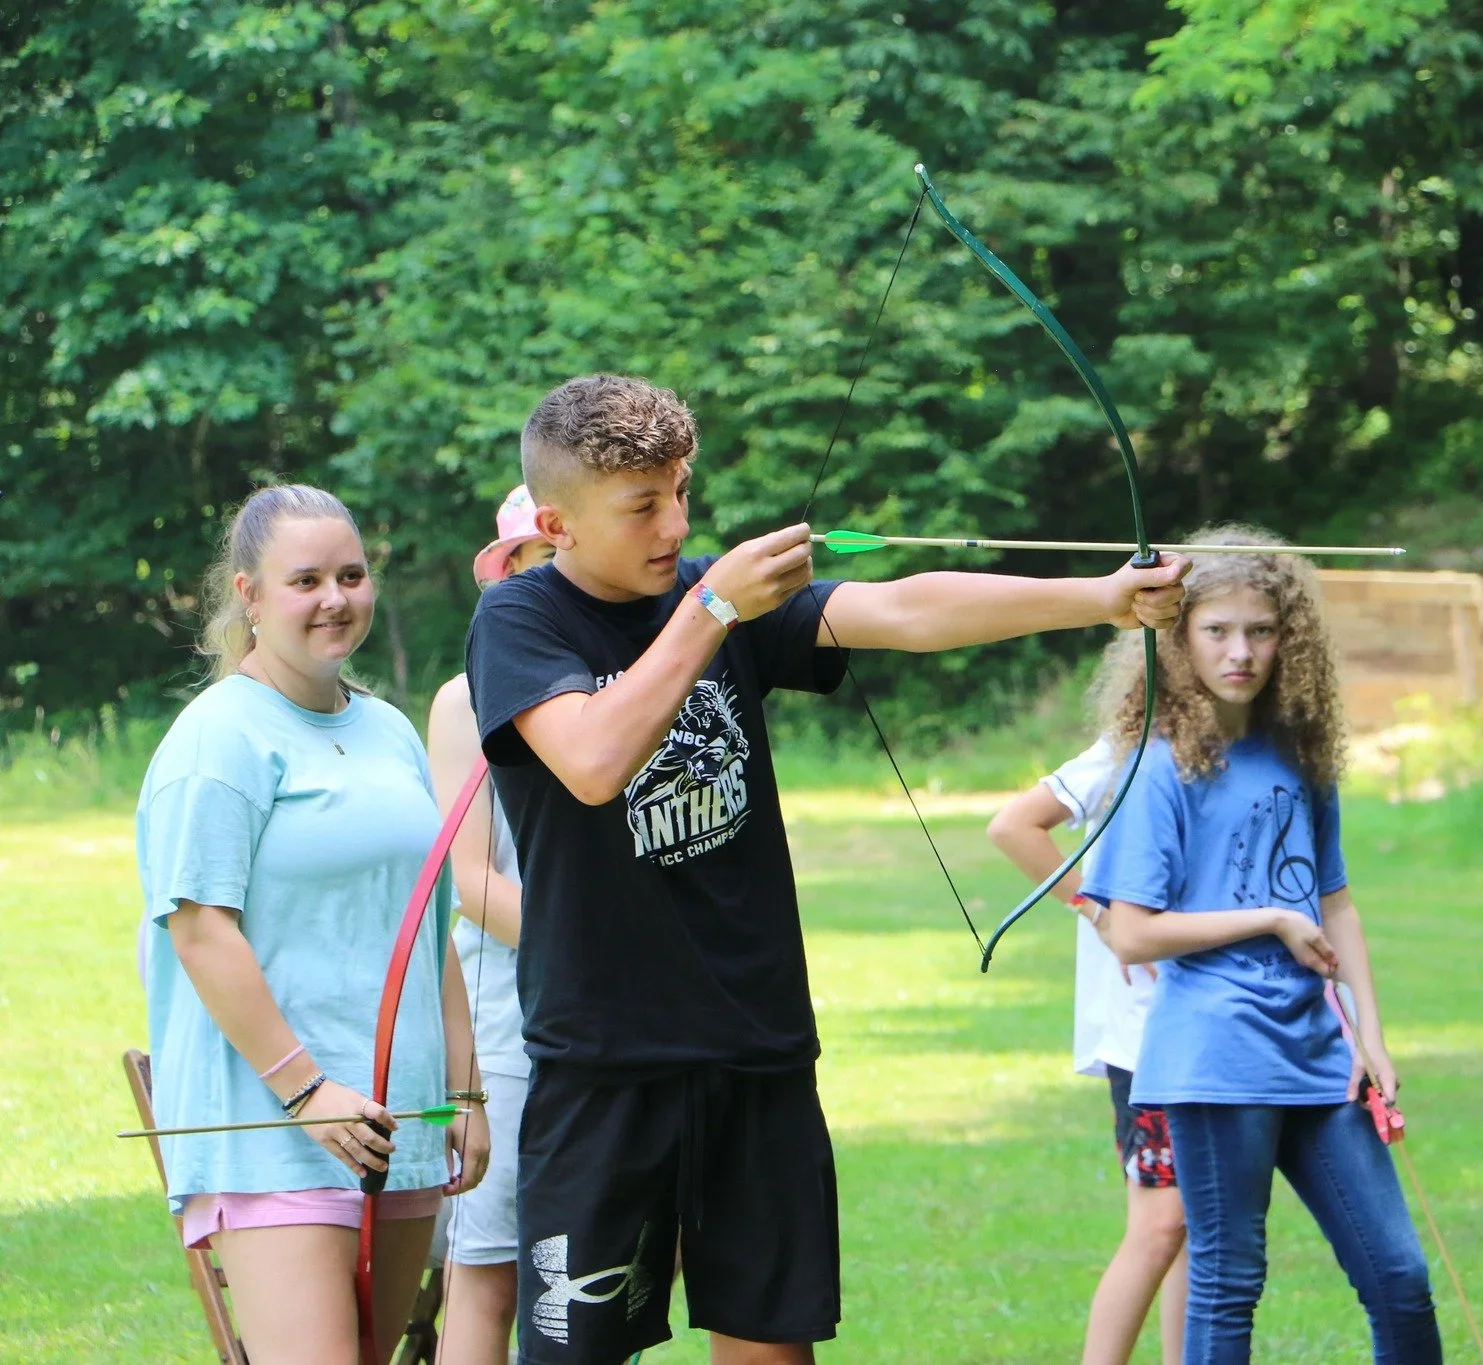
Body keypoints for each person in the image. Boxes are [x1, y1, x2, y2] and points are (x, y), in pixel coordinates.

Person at [464, 373, 1189, 1365]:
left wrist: (1101, 599)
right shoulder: (522, 621)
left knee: (771, 1345)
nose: (676, 523)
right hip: (605, 1056)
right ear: (557, 524)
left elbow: (905, 609)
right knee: (574, 1351)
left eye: (681, 491)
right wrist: (711, 609)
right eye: (642, 506)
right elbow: (592, 762)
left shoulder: (710, 595)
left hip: (755, 1043)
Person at [136, 484, 489, 1365]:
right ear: (250, 595)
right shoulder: (217, 739)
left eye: (351, 575)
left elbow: (426, 925)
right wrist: (306, 1091)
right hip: (272, 1135)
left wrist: (466, 1091)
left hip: (399, 1124)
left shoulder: (389, 731)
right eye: (306, 580)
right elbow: (200, 930)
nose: (335, 598)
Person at [1082, 526, 1441, 1365]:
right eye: (1217, 630)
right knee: (1229, 1279)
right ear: (1178, 636)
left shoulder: (1300, 755)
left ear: (1290, 638)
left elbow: (1335, 901)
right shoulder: (1158, 766)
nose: (1240, 652)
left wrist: (1371, 1033)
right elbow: (1130, 930)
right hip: (1215, 1054)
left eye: (1261, 630)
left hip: (1319, 1053)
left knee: (1399, 1274)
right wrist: (1269, 919)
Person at [989, 736, 1187, 1365]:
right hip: (1145, 1036)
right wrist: (1100, 913)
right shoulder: (1128, 746)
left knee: (1197, 1230)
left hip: (1210, 1027)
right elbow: (1014, 826)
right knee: (1162, 1224)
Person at [427, 486, 555, 1364]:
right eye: (535, 562)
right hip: (510, 1024)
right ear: (506, 573)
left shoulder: (631, 679)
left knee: (606, 1271)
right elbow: (470, 880)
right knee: (489, 1269)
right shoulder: (463, 698)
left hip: (622, 1020)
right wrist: (596, 948)